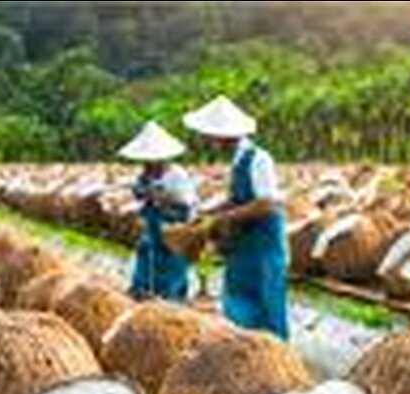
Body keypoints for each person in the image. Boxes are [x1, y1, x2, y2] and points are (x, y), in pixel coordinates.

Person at [183, 96, 289, 339]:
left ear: (225, 136)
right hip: (244, 246)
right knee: (240, 306)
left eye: (212, 136)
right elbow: (239, 199)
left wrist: (224, 218)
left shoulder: (259, 159)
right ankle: (245, 360)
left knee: (267, 307)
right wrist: (209, 215)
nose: (210, 141)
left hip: (263, 245)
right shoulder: (239, 161)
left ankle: (277, 364)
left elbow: (266, 203)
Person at [117, 121, 198, 302]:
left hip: (175, 230)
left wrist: (162, 196)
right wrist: (143, 192)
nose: (147, 164)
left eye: (151, 161)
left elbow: (185, 203)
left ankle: (172, 301)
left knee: (172, 269)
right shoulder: (145, 175)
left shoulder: (177, 175)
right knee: (146, 259)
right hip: (153, 229)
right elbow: (137, 192)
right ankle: (141, 292)